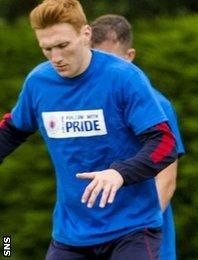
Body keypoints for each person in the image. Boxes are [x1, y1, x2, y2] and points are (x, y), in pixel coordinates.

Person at [0, 0, 177, 259]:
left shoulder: (124, 78)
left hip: (133, 230)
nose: (56, 58)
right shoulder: (38, 82)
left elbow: (165, 144)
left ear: (85, 34)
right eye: (46, 49)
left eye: (63, 46)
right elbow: (12, 130)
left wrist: (119, 174)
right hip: (71, 235)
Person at [90, 14, 186, 260]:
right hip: (94, 238)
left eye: (108, 59)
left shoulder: (157, 105)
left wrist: (133, 233)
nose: (100, 69)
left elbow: (166, 182)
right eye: (94, 59)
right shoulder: (88, 104)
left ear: (129, 57)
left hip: (143, 243)